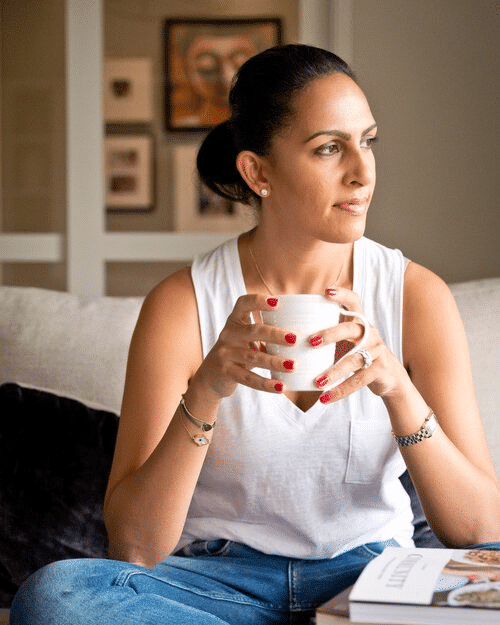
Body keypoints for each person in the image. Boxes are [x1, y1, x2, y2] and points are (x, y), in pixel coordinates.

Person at [10, 43, 500, 625]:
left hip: (367, 577)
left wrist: (398, 389)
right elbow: (137, 549)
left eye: (367, 141)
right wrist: (207, 390)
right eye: (329, 148)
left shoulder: (415, 297)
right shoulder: (181, 305)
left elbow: (480, 530)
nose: (362, 171)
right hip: (217, 586)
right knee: (55, 596)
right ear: (257, 171)